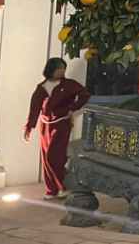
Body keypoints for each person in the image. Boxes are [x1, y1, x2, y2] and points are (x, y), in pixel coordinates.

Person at [24, 57, 90, 199]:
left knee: (54, 157)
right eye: (59, 68)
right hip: (45, 125)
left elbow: (84, 95)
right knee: (46, 158)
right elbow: (35, 108)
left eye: (63, 68)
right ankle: (52, 190)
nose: (62, 71)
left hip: (61, 124)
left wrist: (72, 108)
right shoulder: (42, 87)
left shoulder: (69, 85)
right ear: (51, 70)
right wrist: (29, 127)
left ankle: (63, 186)